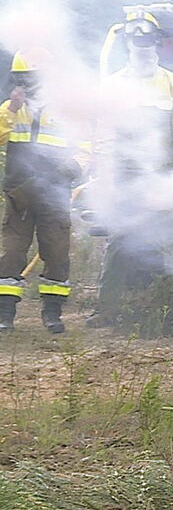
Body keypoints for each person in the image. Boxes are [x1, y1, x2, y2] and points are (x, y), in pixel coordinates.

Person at [91, 11, 173, 322]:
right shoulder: (113, 85)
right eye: (136, 40)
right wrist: (107, 174)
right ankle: (107, 310)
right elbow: (105, 134)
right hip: (126, 176)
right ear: (127, 44)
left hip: (163, 175)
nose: (142, 46)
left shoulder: (172, 83)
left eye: (147, 40)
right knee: (121, 240)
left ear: (157, 43)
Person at [0, 47, 90, 333]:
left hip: (54, 194)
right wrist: (12, 110)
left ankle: (52, 315)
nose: (25, 85)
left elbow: (88, 146)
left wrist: (73, 167)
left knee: (57, 253)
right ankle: (5, 317)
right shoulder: (10, 109)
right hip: (20, 196)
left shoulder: (68, 109)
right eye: (21, 79)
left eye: (31, 78)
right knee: (11, 253)